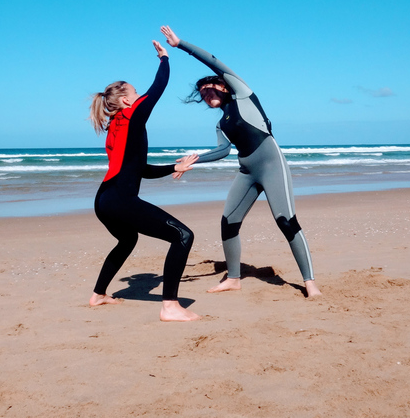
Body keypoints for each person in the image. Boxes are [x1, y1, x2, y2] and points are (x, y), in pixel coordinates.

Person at [160, 25, 322, 298]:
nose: (205, 93)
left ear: (223, 86)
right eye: (201, 92)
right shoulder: (221, 124)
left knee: (286, 221)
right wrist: (193, 159)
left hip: (271, 165)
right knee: (229, 220)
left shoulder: (243, 94)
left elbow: (213, 61)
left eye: (209, 87)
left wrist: (181, 45)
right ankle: (234, 278)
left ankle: (310, 283)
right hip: (247, 170)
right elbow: (222, 151)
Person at [88, 39, 202, 321]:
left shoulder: (117, 128)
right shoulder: (131, 116)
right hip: (120, 200)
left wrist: (174, 167)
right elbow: (158, 89)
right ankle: (170, 307)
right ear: (127, 100)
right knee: (183, 236)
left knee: (127, 241)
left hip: (104, 200)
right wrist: (164, 59)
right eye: (135, 93)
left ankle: (98, 295)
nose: (139, 97)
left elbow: (139, 170)